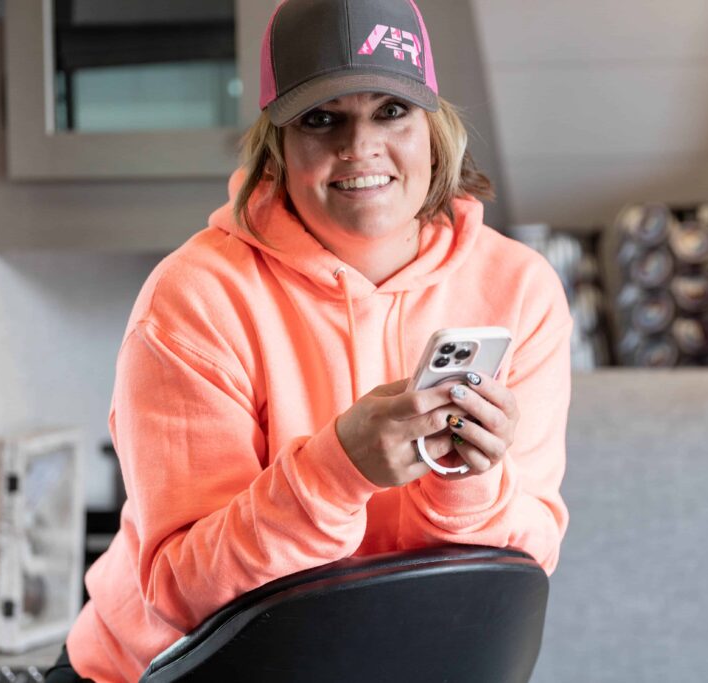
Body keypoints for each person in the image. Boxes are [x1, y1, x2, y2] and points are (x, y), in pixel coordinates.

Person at [50, 0, 571, 680]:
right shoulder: (197, 297)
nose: (360, 147)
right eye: (322, 119)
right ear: (278, 143)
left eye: (391, 110)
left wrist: (467, 484)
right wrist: (337, 469)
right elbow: (182, 592)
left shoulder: (518, 289)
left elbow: (531, 559)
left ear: (435, 127)